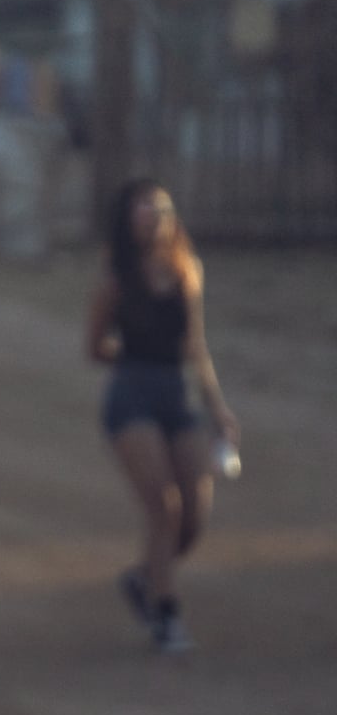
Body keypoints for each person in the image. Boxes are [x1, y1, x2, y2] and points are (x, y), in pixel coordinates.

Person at [87, 178, 237, 655]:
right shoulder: (116, 278)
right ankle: (167, 612)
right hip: (131, 395)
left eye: (162, 210)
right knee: (164, 508)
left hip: (178, 394)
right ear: (128, 221)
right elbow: (94, 347)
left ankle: (144, 578)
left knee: (195, 515)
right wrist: (135, 358)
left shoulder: (187, 270)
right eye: (144, 210)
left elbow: (197, 347)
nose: (154, 218)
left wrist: (218, 408)